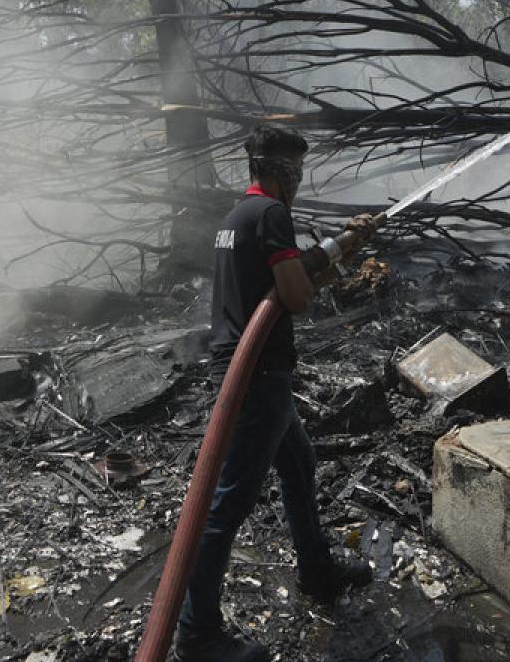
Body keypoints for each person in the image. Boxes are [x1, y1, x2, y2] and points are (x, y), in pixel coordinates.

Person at [174, 124, 381, 662]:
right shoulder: (270, 214)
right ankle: (197, 634)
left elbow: (288, 284)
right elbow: (296, 297)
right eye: (295, 170)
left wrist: (342, 246)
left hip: (251, 373)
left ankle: (317, 570)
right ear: (277, 171)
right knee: (225, 506)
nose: (299, 180)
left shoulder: (235, 218)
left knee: (299, 464)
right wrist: (324, 262)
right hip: (256, 376)